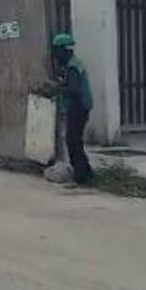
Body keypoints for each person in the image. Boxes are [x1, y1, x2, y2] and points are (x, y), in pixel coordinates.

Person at [50, 32, 94, 185]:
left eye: (57, 51)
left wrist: (57, 88)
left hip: (78, 107)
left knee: (72, 141)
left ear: (64, 51)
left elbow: (73, 90)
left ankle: (81, 176)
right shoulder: (72, 64)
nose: (55, 55)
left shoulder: (73, 67)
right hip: (79, 107)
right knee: (75, 141)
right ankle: (86, 172)